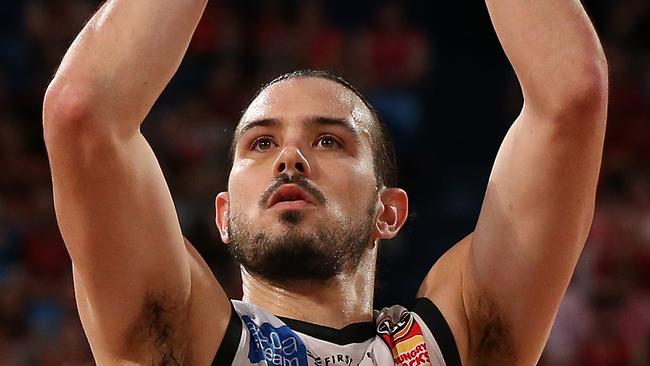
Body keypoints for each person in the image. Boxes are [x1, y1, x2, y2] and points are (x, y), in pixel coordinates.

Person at [42, 0, 608, 365]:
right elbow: (84, 114)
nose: (289, 157)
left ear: (389, 211)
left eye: (329, 140)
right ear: (223, 215)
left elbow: (571, 96)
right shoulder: (180, 338)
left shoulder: (451, 342)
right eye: (261, 143)